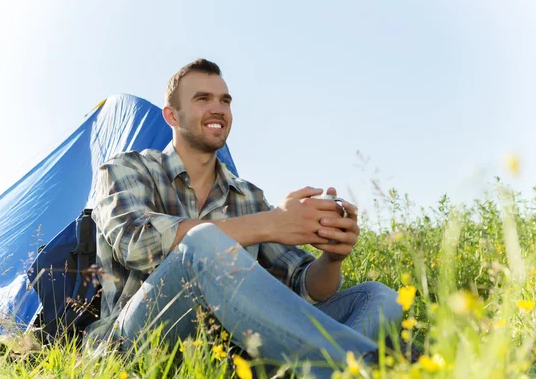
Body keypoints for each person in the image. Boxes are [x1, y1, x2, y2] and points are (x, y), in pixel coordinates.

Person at [86, 59, 403, 377]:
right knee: (204, 240)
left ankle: (325, 369)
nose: (218, 109)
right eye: (202, 99)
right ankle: (357, 368)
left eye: (225, 100)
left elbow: (305, 288)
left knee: (378, 296)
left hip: (231, 352)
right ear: (171, 115)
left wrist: (332, 258)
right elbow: (135, 243)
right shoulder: (125, 169)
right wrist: (273, 223)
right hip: (139, 342)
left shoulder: (249, 197)